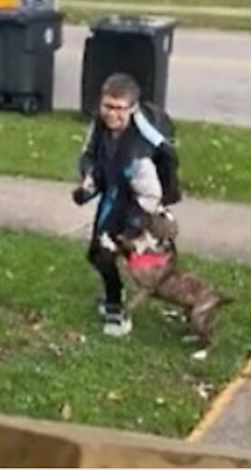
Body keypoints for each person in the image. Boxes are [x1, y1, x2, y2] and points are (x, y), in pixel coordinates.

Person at [73, 72, 177, 337]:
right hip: (113, 200)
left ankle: (117, 310)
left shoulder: (138, 151)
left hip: (138, 209)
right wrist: (88, 179)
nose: (112, 114)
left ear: (133, 109)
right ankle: (115, 294)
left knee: (121, 258)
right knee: (97, 255)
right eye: (107, 106)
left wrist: (130, 229)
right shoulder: (99, 128)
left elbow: (151, 195)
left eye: (119, 109)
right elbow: (89, 156)